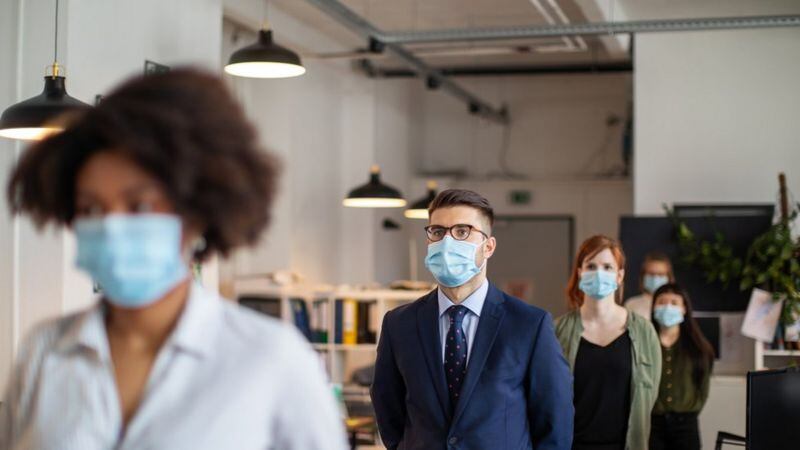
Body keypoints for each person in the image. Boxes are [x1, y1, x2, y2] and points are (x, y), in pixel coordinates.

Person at [0, 69, 347, 450]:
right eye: (91, 208)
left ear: (194, 214)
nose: (113, 227)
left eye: (140, 205)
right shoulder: (45, 351)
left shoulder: (271, 359)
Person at [371, 189, 574, 449]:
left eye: (462, 231)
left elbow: (554, 422)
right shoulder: (399, 324)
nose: (447, 241)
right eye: (437, 232)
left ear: (488, 247)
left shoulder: (529, 325)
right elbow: (388, 409)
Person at [555, 235, 661, 450]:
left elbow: (650, 396)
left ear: (619, 276)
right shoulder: (557, 330)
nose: (598, 273)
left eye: (607, 267)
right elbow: (547, 397)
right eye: (591, 266)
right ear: (580, 272)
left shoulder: (643, 331)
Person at [649, 284, 714, 450]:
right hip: (652, 424)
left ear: (684, 309)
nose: (667, 306)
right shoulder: (645, 343)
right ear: (654, 307)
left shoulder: (698, 348)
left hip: (686, 424)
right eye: (662, 302)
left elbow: (702, 387)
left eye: (674, 302)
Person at [625, 252, 675, 320]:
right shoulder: (631, 304)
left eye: (661, 274)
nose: (656, 278)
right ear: (643, 276)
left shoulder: (676, 304)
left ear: (668, 277)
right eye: (651, 274)